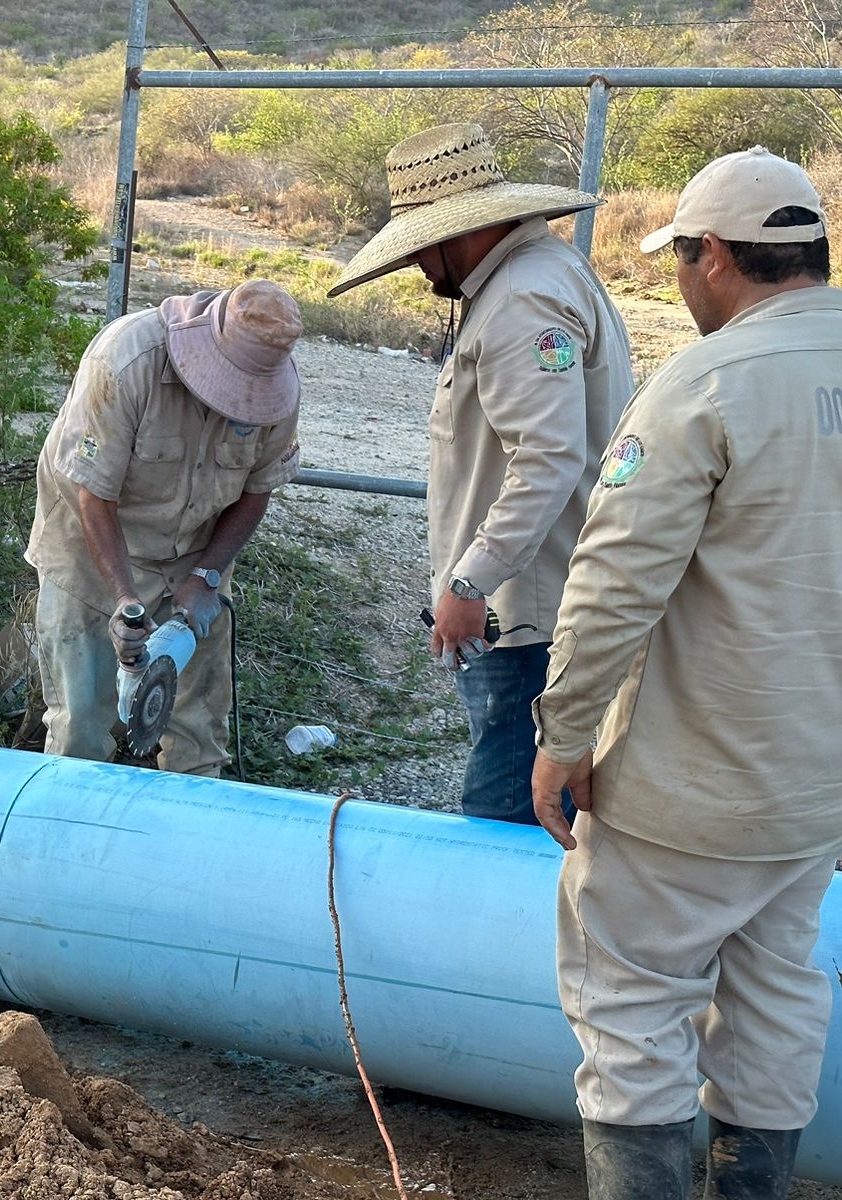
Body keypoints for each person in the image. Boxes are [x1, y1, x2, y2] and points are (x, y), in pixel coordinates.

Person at [529, 147, 842, 1199]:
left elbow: (612, 586)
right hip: (814, 794)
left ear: (712, 257)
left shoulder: (703, 385)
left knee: (629, 1012)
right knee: (777, 1000)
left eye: (678, 261)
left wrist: (563, 736)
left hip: (686, 793)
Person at [328, 122, 633, 824]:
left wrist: (471, 581)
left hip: (529, 619)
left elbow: (548, 456)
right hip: (536, 605)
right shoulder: (538, 277)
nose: (418, 268)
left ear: (454, 234)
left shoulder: (521, 301)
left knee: (507, 819)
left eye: (418, 250)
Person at [24, 280, 303, 775]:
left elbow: (258, 488)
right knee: (81, 730)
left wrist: (207, 577)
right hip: (92, 554)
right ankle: (72, 840)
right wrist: (124, 602)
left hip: (194, 561)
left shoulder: (278, 385)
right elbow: (95, 495)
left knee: (200, 733)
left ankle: (184, 841)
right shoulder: (126, 361)